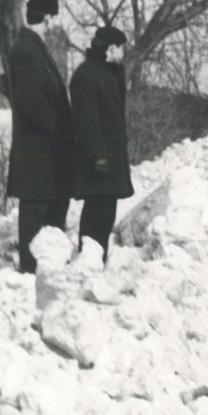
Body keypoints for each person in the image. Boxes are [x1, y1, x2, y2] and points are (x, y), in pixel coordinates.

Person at [6, 0, 73, 274]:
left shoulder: (30, 47)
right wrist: (58, 128)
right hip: (38, 150)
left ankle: (42, 266)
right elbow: (30, 101)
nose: (53, 25)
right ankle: (31, 270)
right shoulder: (29, 50)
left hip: (41, 150)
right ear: (46, 18)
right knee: (35, 210)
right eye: (52, 19)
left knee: (45, 206)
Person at [69, 26, 134, 262]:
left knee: (105, 214)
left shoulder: (109, 72)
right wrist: (98, 155)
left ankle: (97, 260)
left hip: (110, 158)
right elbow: (86, 120)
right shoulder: (86, 74)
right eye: (122, 49)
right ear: (112, 48)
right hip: (99, 160)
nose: (124, 54)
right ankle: (89, 262)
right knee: (96, 214)